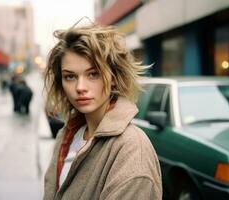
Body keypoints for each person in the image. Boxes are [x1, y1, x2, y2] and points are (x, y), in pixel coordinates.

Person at [43, 23, 162, 200]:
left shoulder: (132, 150)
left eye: (93, 74)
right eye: (70, 76)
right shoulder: (66, 135)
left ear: (113, 78)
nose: (80, 87)